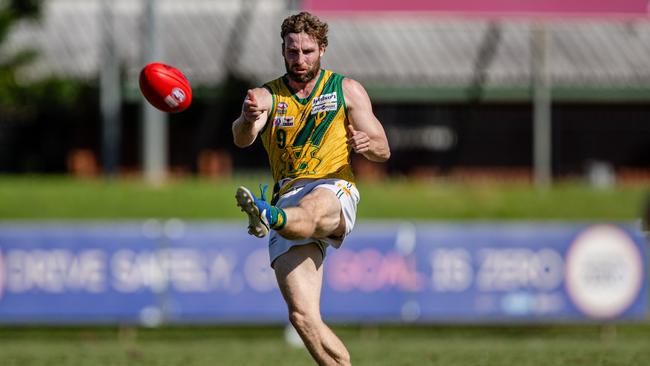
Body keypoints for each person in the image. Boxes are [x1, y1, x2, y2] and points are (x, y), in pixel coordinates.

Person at [232, 11, 390, 365]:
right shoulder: (267, 95)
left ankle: (266, 216)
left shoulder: (345, 89)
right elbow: (243, 138)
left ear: (322, 49)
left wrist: (366, 143)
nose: (299, 60)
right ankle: (271, 214)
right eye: (292, 52)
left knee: (311, 211)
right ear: (283, 51)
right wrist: (246, 118)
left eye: (307, 51)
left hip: (334, 187)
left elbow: (384, 149)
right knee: (303, 318)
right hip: (289, 193)